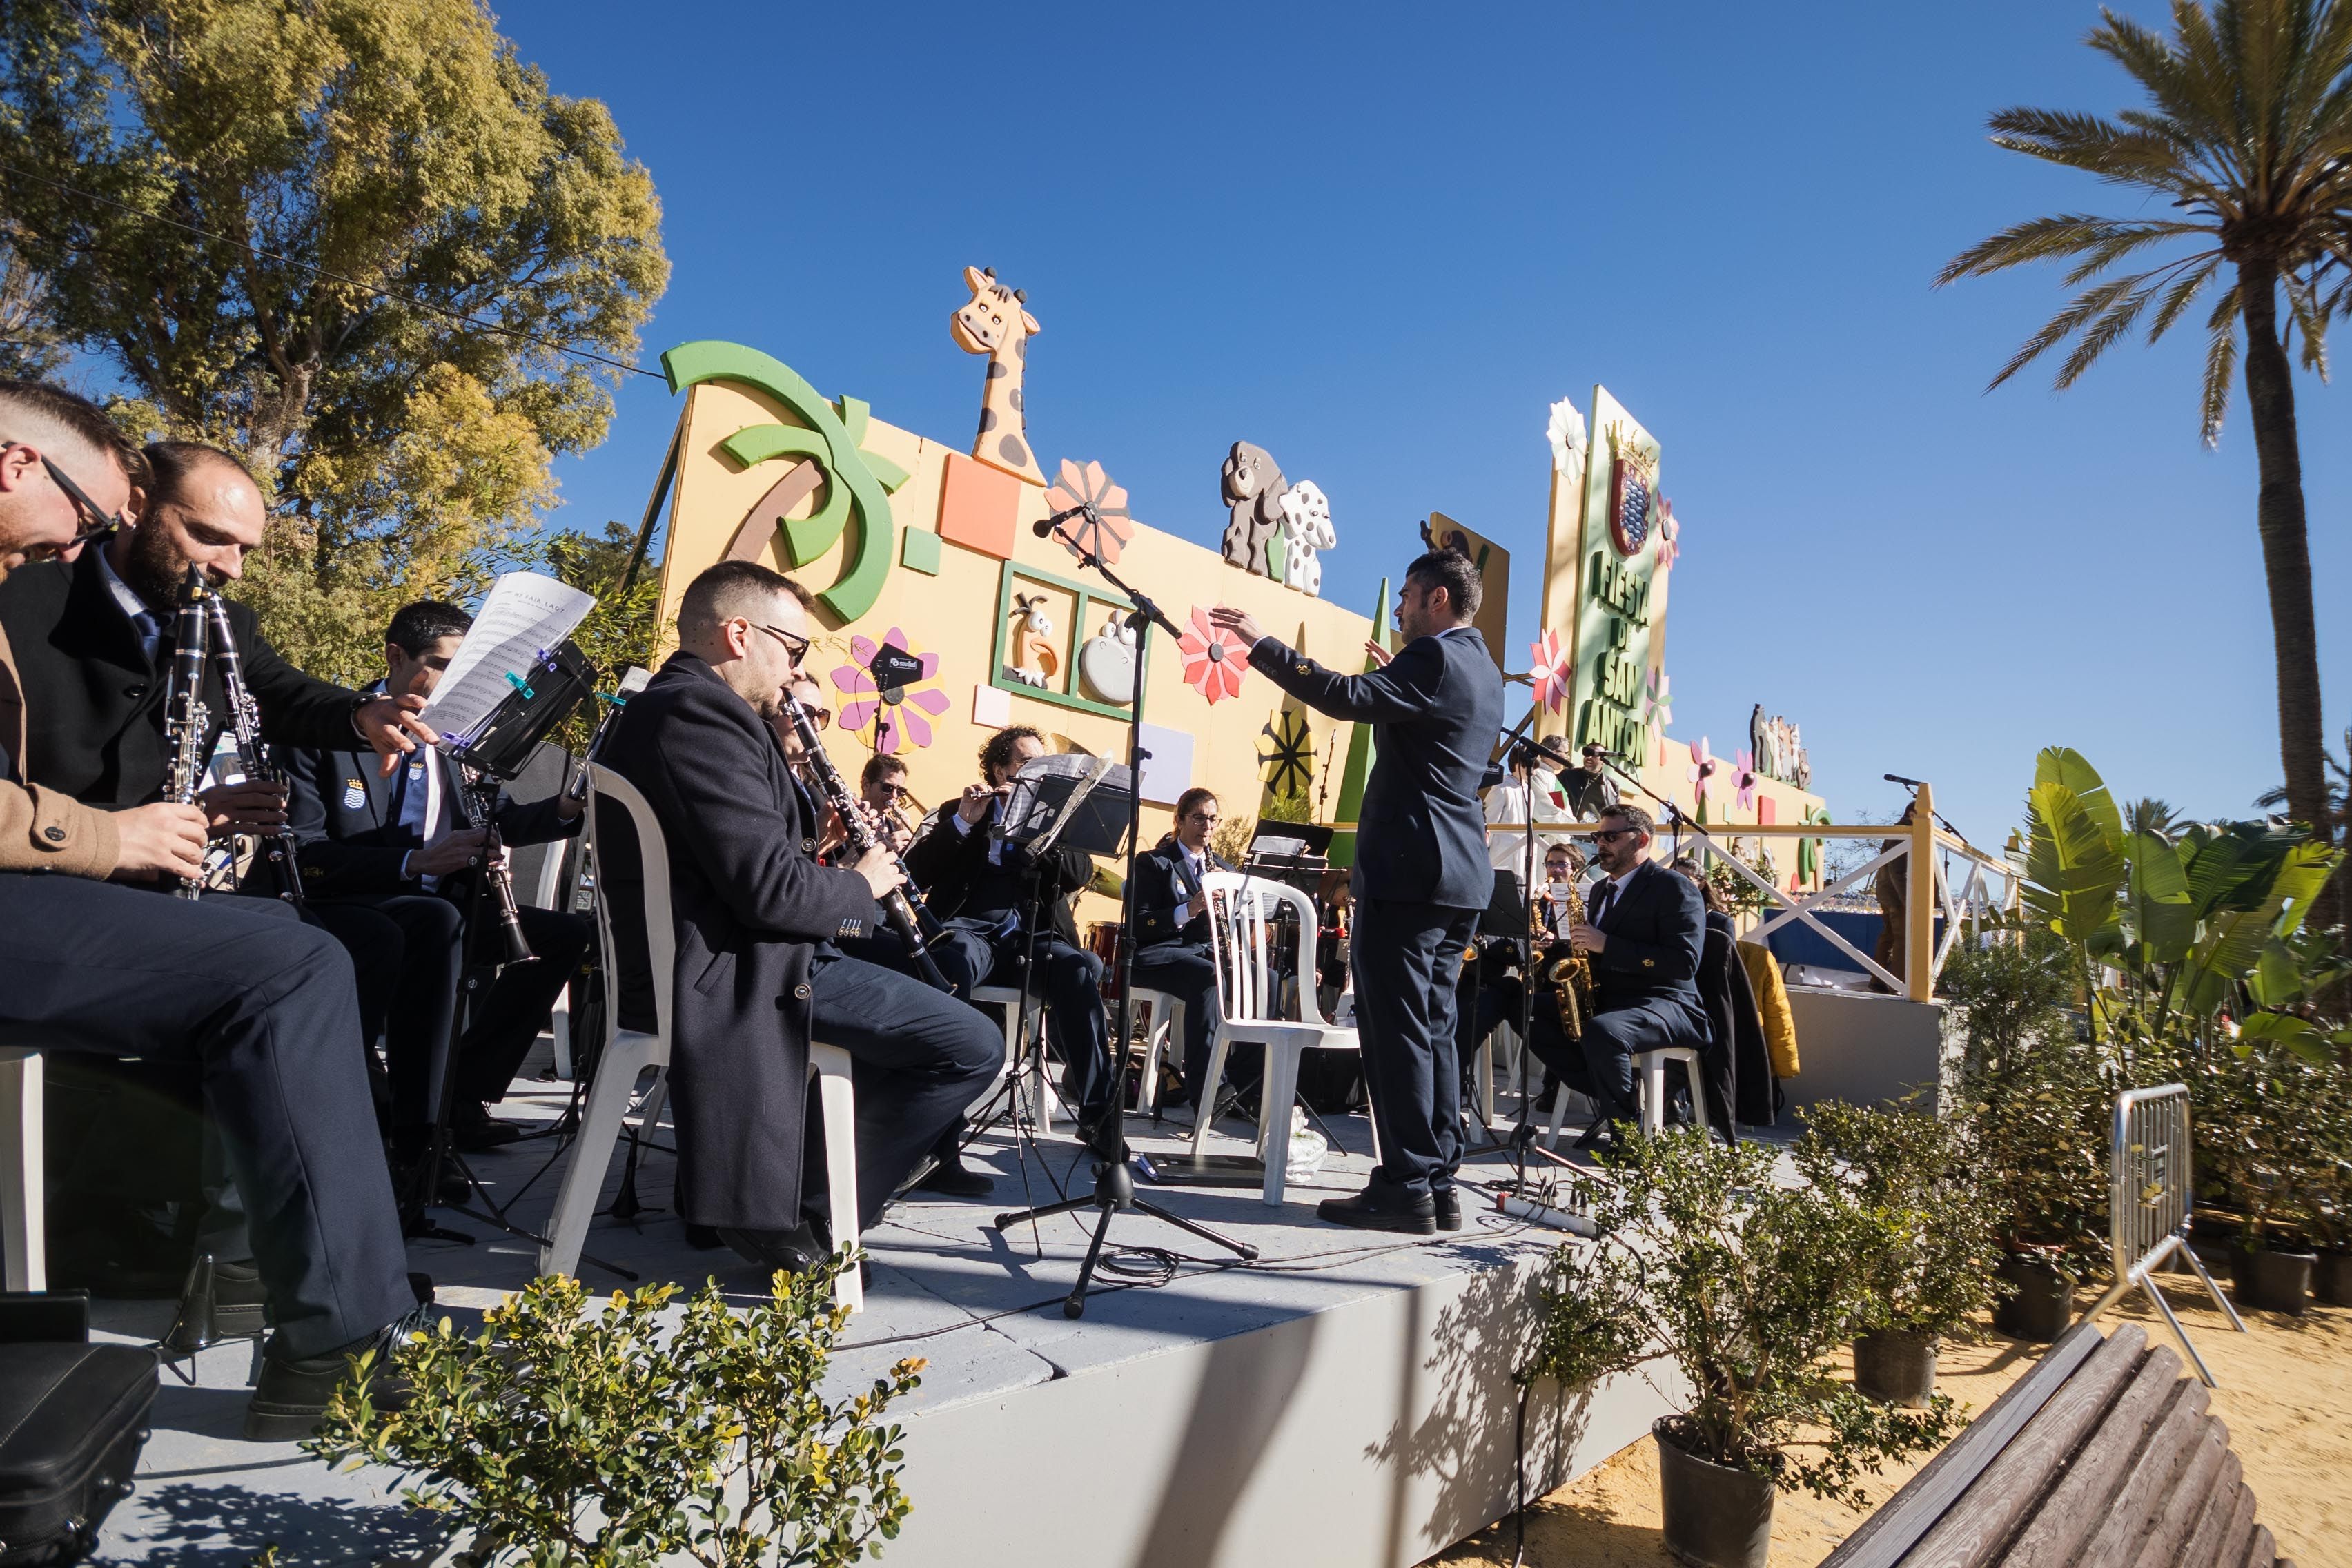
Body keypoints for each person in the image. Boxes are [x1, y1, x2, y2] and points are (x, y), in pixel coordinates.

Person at [0, 379, 422, 1440]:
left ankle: (249, 1263)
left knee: (301, 942)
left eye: (244, 547)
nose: (229, 565)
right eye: (208, 535)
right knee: (291, 967)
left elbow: (283, 692)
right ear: (135, 503)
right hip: (51, 877)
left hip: (83, 870)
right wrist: (117, 833)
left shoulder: (203, 609)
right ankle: (333, 1341)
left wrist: (362, 717)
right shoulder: (32, 579)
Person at [597, 560, 999, 1273]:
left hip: (748, 950)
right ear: (739, 633)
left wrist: (846, 880)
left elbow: (758, 867)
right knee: (968, 1043)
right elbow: (770, 892)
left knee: (931, 986)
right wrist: (863, 885)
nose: (795, 669)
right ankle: (810, 1210)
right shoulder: (698, 714)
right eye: (794, 648)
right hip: (735, 969)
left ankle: (792, 1195)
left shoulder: (692, 708)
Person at [1209, 547, 1502, 1234]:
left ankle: (1404, 1186)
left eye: (1407, 596)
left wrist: (1263, 644)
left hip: (1410, 872)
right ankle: (1435, 1182)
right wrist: (1395, 678)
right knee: (1434, 1029)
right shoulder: (1483, 670)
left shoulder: (1431, 660)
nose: (1398, 608)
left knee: (1398, 1032)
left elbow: (1344, 699)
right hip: (1458, 875)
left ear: (1437, 599)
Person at [280, 599, 589, 1165]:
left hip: (439, 908)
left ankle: (463, 1095)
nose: (458, 683)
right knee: (436, 923)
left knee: (564, 936)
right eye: (445, 665)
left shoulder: (453, 738)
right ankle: (414, 1133)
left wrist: (567, 808)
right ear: (396, 657)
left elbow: (499, 818)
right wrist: (415, 864)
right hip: (352, 907)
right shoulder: (323, 731)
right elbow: (303, 856)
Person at [904, 725, 1112, 1148]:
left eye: (1044, 768)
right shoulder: (957, 810)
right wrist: (964, 822)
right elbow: (916, 875)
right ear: (1000, 771)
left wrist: (1044, 832)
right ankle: (940, 1127)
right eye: (1025, 765)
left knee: (1077, 970)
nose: (1036, 775)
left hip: (1032, 938)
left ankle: (1099, 1118)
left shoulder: (1055, 820)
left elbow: (1079, 874)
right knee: (953, 960)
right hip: (971, 929)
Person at [1556, 804, 1707, 1151]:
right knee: (1527, 1008)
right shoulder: (1597, 890)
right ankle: (1606, 1089)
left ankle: (1628, 1137)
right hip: (1613, 1000)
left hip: (1666, 1002)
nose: (1600, 845)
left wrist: (1607, 945)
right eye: (1597, 837)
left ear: (1640, 839)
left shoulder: (1674, 888)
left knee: (1602, 1031)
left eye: (1610, 837)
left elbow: (1683, 963)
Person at [1128, 787, 1235, 1113]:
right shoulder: (1154, 863)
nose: (1207, 827)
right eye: (1199, 818)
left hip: (1204, 951)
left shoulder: (1223, 868)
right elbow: (1137, 922)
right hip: (1160, 954)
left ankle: (1246, 1086)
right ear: (1179, 820)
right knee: (1207, 978)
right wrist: (1190, 908)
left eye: (1213, 819)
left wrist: (1231, 902)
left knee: (1266, 979)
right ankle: (1207, 1092)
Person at [1667, 857, 1745, 1141]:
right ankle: (1664, 1109)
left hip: (1706, 1000)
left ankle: (1679, 1111)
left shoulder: (1718, 921)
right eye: (1673, 877)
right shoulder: (1663, 913)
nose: (1678, 883)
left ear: (1700, 884)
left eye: (1686, 878)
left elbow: (1723, 969)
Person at [1560, 741, 1621, 821]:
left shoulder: (1612, 785)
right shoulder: (1568, 775)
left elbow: (1617, 815)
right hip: (1571, 829)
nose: (1589, 757)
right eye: (1587, 753)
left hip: (1599, 831)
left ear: (1603, 760)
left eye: (1594, 754)